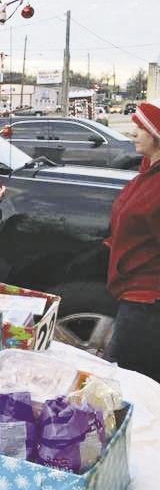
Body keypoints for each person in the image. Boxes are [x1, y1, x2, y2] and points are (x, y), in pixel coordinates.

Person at [105, 99, 160, 381]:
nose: (134, 133)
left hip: (146, 303)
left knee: (122, 381)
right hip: (133, 292)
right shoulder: (146, 173)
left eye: (140, 127)